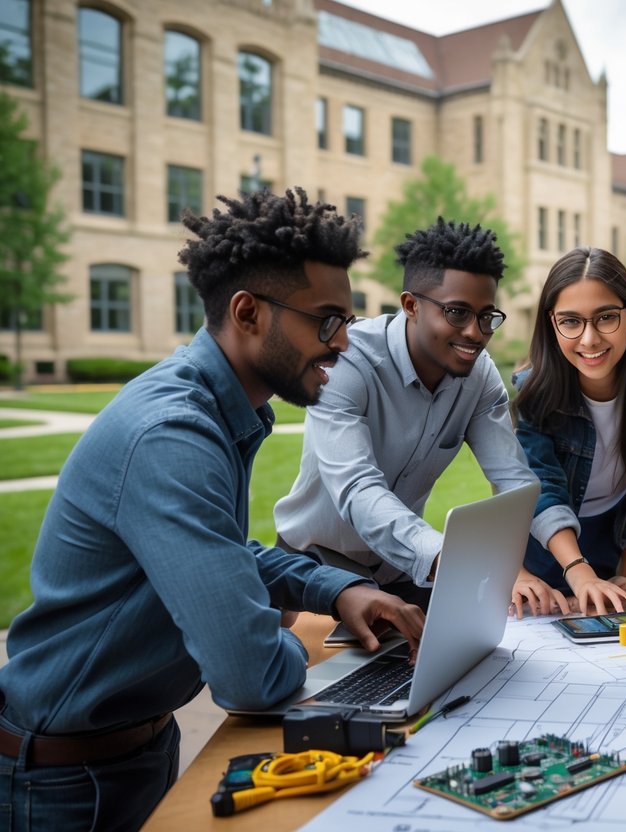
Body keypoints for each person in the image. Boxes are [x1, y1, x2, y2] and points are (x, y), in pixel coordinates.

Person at [0, 188, 426, 831]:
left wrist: (338, 592)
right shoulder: (172, 433)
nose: (344, 345)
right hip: (63, 782)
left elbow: (224, 550)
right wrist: (305, 655)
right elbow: (250, 675)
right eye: (328, 320)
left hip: (130, 749)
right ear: (248, 312)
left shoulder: (224, 410)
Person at [273, 217, 554, 616]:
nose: (475, 333)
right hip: (315, 564)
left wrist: (534, 565)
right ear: (411, 306)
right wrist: (449, 556)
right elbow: (358, 488)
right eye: (457, 312)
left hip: (399, 568)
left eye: (486, 316)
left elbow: (512, 479)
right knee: (333, 678)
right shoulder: (348, 363)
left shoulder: (479, 375)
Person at [511, 247, 626, 615]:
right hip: (541, 558)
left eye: (605, 318)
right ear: (551, 323)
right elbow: (542, 490)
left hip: (607, 549)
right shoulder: (532, 390)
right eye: (570, 321)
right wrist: (578, 573)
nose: (589, 339)